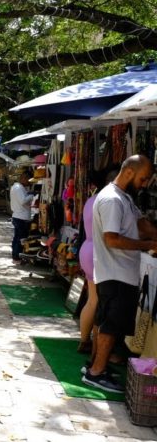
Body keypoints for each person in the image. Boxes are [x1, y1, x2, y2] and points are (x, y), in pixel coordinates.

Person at [84, 155, 157, 393]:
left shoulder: (124, 197)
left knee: (108, 323)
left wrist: (153, 236)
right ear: (129, 172)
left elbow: (140, 223)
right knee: (110, 326)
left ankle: (95, 366)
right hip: (115, 272)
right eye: (143, 178)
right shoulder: (112, 200)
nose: (145, 184)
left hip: (120, 272)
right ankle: (96, 373)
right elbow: (112, 239)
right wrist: (146, 245)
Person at [77, 169, 116, 354]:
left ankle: (85, 341)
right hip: (98, 252)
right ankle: (96, 349)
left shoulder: (92, 200)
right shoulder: (108, 201)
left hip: (87, 249)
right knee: (99, 302)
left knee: (92, 300)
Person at [10, 169, 34, 264]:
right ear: (24, 178)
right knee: (20, 238)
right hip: (21, 217)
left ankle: (16, 256)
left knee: (17, 237)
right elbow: (23, 201)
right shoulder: (18, 188)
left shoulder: (18, 187)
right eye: (28, 180)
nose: (29, 183)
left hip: (19, 216)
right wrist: (31, 195)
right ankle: (17, 257)